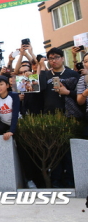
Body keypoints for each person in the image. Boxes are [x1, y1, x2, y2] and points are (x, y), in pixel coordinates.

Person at [39, 47, 80, 188]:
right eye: (50, 58)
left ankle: (70, 179)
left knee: (69, 150)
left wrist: (67, 92)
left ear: (62, 58)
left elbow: (80, 95)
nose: (53, 60)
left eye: (56, 57)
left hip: (69, 117)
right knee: (53, 151)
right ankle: (56, 180)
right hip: (49, 117)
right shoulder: (45, 75)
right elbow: (36, 95)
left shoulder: (73, 74)